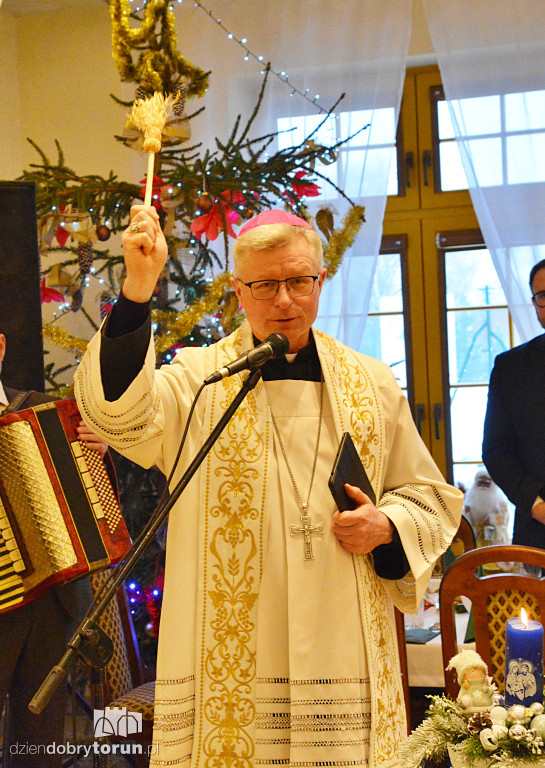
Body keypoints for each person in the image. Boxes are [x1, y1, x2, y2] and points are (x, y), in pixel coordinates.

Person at [74, 205, 463, 768]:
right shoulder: (198, 379)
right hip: (232, 660)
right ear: (239, 290)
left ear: (320, 282)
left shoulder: (371, 384)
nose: (284, 300)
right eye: (265, 284)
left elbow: (429, 497)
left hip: (343, 641)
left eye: (299, 281)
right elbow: (121, 413)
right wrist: (138, 289)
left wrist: (388, 524)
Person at [0, 332, 108, 767]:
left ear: (2, 347)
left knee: (39, 744)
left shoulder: (45, 410)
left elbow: (92, 502)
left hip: (53, 601)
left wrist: (97, 455)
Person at [482, 259, 545, 549]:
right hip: (539, 533)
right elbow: (496, 450)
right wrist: (535, 504)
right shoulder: (510, 368)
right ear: (534, 303)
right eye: (543, 296)